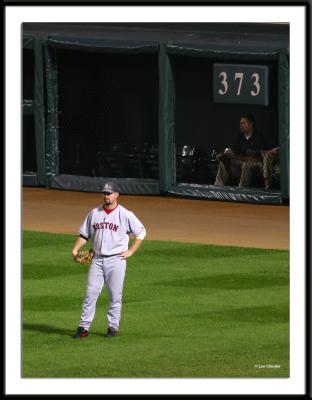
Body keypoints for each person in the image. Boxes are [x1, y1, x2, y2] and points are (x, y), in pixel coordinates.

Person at [72, 181, 146, 339]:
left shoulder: (125, 214)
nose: (106, 196)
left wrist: (131, 251)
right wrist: (75, 248)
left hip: (116, 260)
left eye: (109, 193)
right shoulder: (94, 213)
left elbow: (141, 232)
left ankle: (112, 327)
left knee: (115, 295)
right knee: (90, 293)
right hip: (97, 260)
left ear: (116, 195)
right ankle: (83, 327)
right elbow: (84, 235)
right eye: (104, 193)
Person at [214, 114, 267, 188]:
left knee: (246, 164)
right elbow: (234, 153)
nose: (241, 125)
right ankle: (217, 188)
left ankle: (241, 190)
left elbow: (258, 159)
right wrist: (224, 155)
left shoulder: (259, 137)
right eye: (240, 123)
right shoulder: (240, 136)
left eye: (243, 123)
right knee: (223, 161)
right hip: (241, 165)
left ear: (251, 124)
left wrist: (236, 156)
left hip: (257, 167)